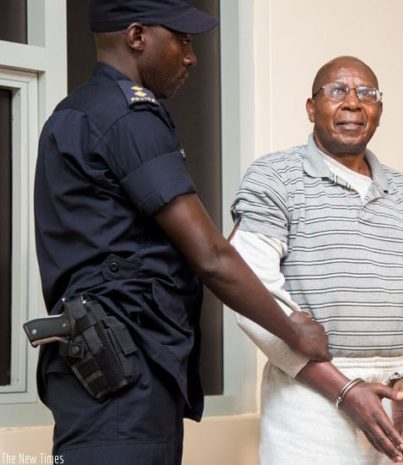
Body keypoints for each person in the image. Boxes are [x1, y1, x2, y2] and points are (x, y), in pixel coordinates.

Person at [32, 1, 330, 464]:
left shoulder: (74, 113)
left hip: (100, 374)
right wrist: (293, 331)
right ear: (137, 37)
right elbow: (211, 257)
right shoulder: (129, 117)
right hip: (125, 382)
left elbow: (120, 244)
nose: (191, 57)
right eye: (182, 41)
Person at [230, 55, 403, 464]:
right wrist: (343, 389)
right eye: (338, 90)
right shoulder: (273, 178)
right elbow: (249, 294)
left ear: (379, 111)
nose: (353, 103)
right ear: (312, 108)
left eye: (367, 93)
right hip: (311, 396)